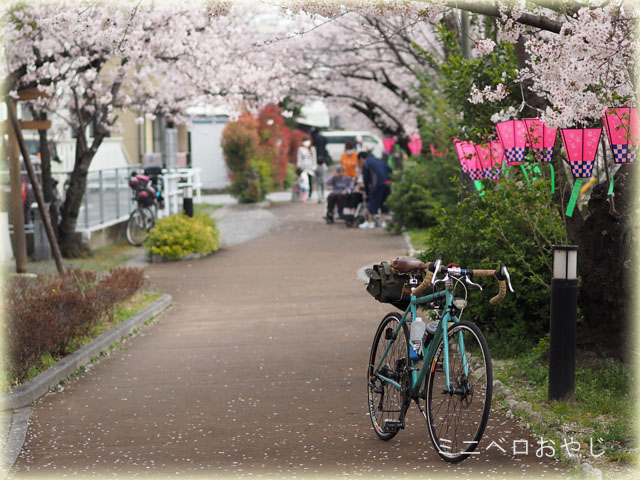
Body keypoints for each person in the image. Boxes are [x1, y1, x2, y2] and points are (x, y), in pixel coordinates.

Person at [358, 151, 392, 229]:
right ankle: (383, 222)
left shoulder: (366, 164)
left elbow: (366, 180)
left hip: (378, 184)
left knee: (373, 202)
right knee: (385, 202)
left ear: (361, 158)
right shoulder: (379, 160)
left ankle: (371, 222)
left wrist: (367, 192)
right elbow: (389, 169)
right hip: (388, 183)